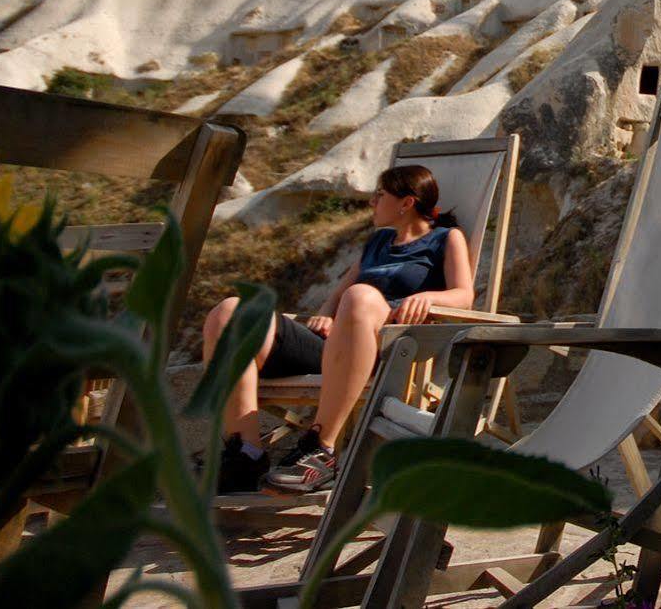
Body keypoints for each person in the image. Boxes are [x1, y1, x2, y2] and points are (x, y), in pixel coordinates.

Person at [201, 162, 476, 495]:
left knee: (360, 295)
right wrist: (327, 314)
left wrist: (428, 297)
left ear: (406, 202)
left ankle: (322, 451)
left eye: (380, 195)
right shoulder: (377, 242)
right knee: (229, 312)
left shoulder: (446, 239)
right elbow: (336, 296)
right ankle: (246, 453)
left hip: (389, 348)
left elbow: (465, 295)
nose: (372, 202)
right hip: (337, 347)